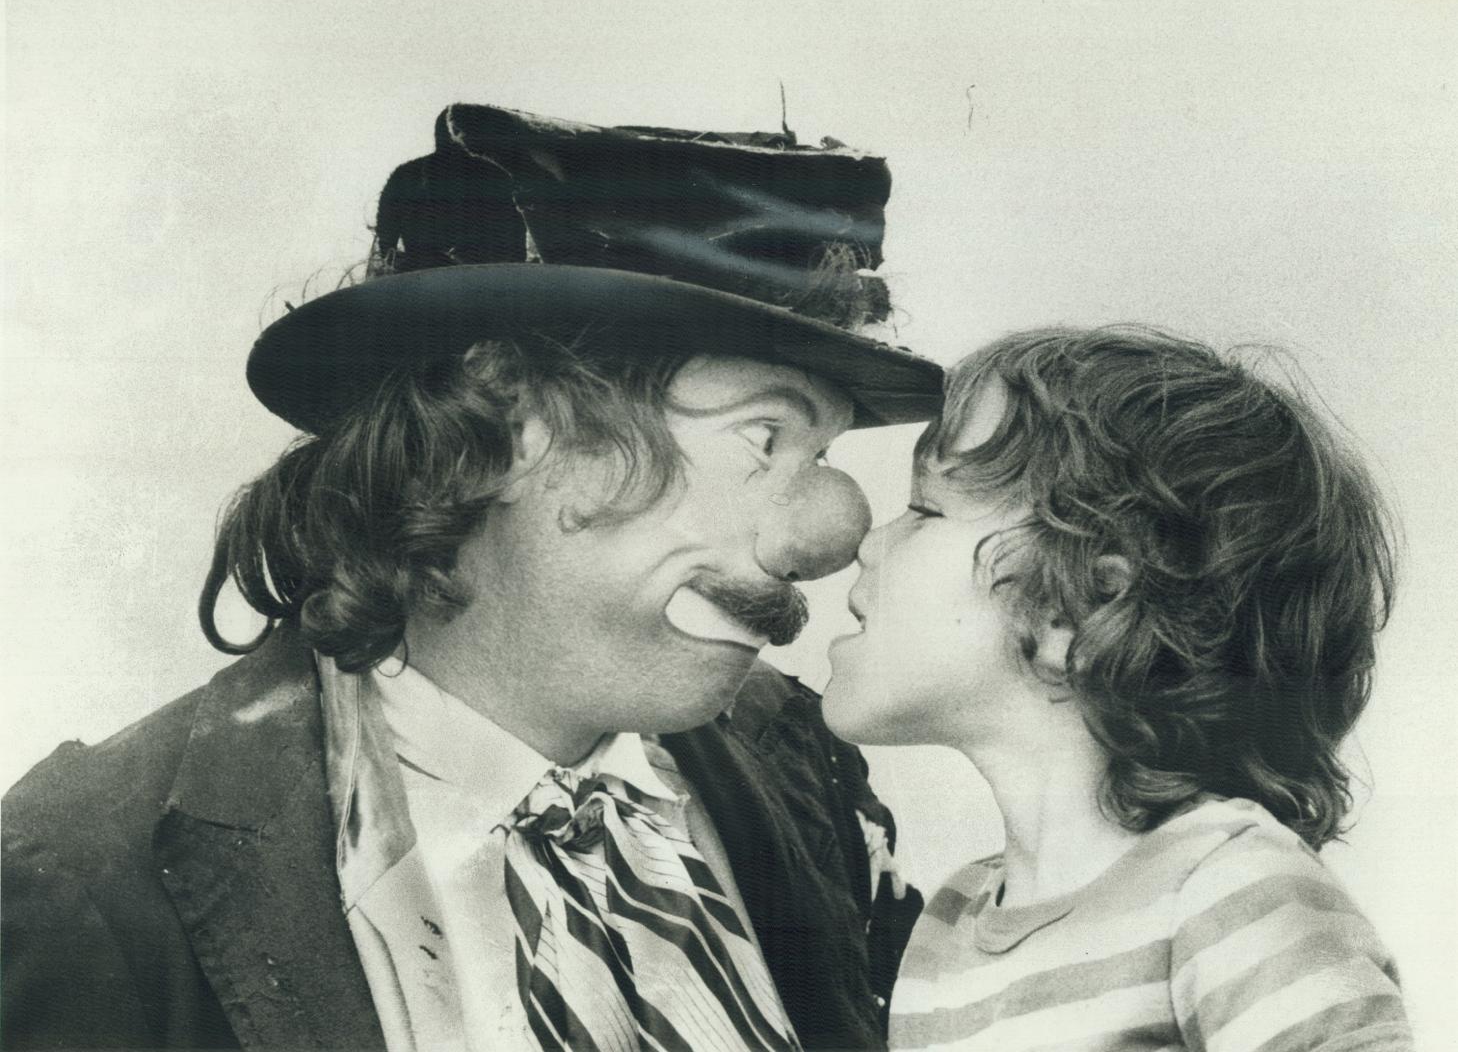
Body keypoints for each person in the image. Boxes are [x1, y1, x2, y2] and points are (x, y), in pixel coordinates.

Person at [1, 103, 936, 1051]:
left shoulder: (804, 761)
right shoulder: (85, 886)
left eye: (821, 452)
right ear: (513, 420)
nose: (828, 533)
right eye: (764, 435)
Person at [824, 325, 1414, 1050]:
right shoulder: (949, 920)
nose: (868, 541)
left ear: (1078, 608)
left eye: (923, 511)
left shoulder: (1230, 885)